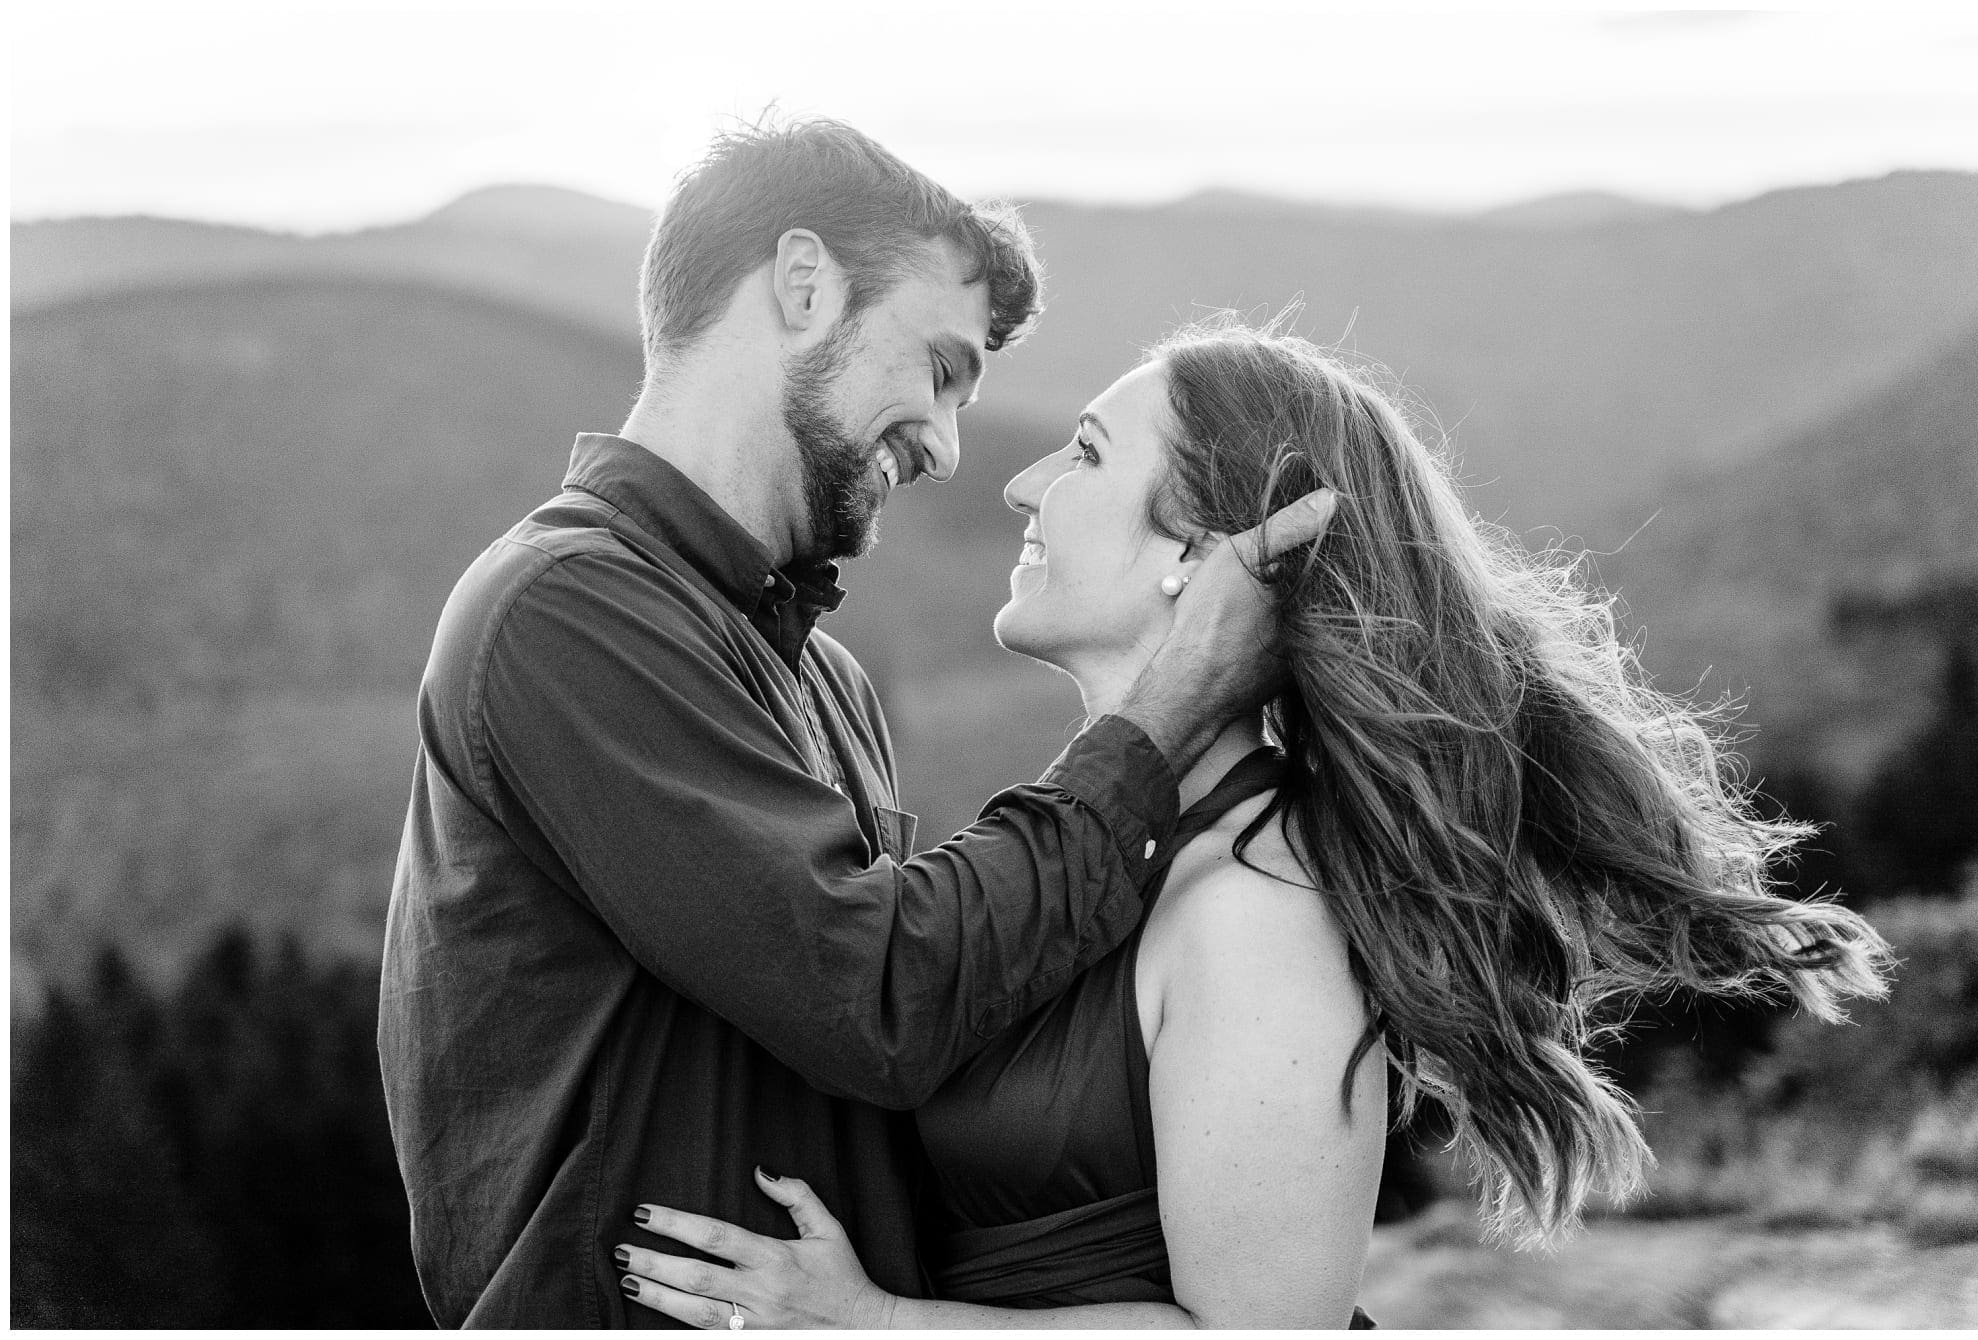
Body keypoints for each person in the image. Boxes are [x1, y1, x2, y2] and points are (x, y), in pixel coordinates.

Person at [610, 320, 1893, 1328]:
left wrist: (873, 1325)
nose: (1022, 484)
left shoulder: (1254, 906)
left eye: (1089, 455)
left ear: (1202, 552)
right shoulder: (1108, 853)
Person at [377, 121, 1330, 1327]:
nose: (944, 445)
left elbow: (912, 1026)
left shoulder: (824, 677)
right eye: (936, 368)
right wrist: (1165, 708)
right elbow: (878, 991)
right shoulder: (564, 609)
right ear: (803, 285)